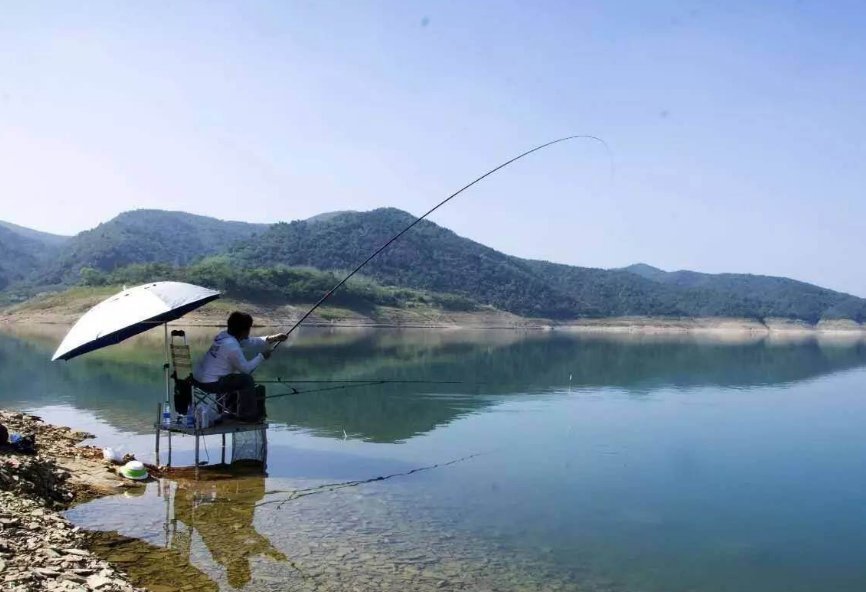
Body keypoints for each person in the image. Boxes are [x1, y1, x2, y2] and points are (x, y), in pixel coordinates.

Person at [194, 311, 287, 396]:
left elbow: (249, 341)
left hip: (198, 380)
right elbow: (246, 370)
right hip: (211, 384)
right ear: (244, 331)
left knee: (235, 376)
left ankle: (230, 409)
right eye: (249, 328)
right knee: (246, 380)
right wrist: (262, 356)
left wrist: (272, 338)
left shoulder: (224, 336)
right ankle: (246, 414)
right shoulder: (231, 345)